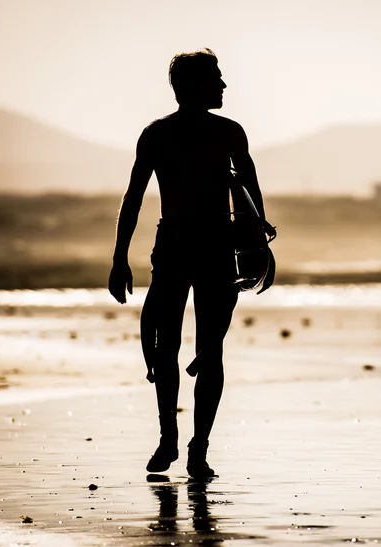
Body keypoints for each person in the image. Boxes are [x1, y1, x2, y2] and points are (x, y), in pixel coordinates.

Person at [108, 49, 275, 478]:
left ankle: (196, 448)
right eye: (216, 78)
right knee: (169, 347)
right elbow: (133, 198)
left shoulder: (227, 133)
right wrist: (118, 259)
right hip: (184, 245)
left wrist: (259, 248)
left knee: (208, 348)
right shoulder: (161, 134)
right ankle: (172, 439)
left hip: (209, 245)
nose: (223, 85)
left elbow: (252, 201)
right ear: (193, 85)